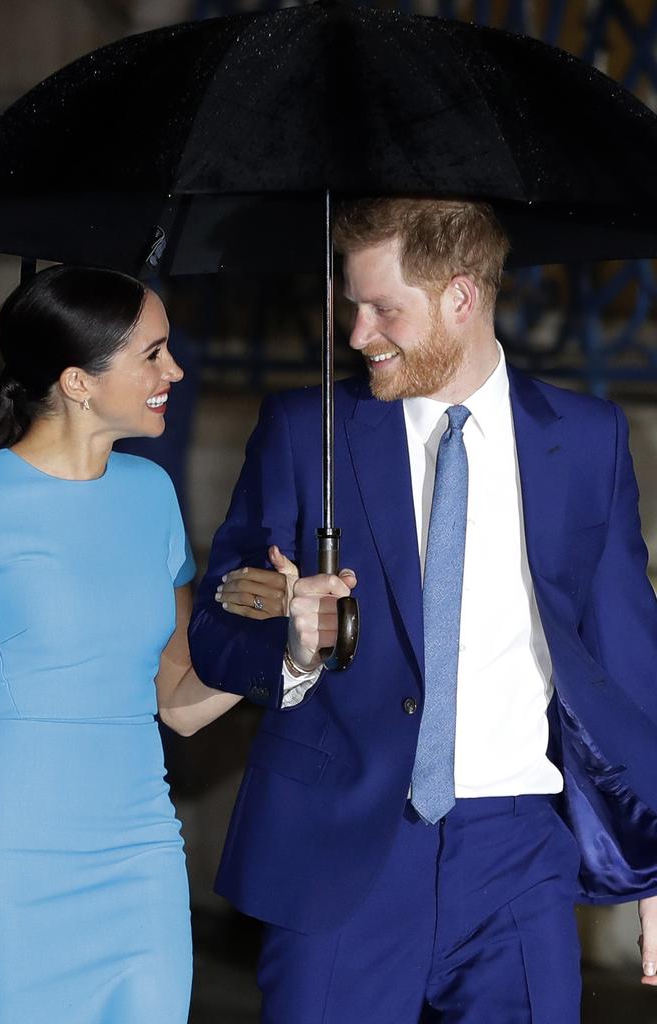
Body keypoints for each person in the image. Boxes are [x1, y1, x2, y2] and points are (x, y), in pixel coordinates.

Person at [189, 197, 657, 1023]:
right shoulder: (307, 431)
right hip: (338, 854)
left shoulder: (587, 438)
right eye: (352, 304)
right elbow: (219, 629)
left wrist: (656, 867)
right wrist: (293, 648)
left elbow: (628, 653)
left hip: (519, 855)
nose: (359, 333)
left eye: (384, 309)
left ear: (462, 297)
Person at [0, 265, 273, 1022]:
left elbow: (180, 703)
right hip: (2, 855)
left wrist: (288, 649)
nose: (176, 372)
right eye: (153, 355)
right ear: (77, 381)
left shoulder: (150, 494)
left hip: (141, 853)